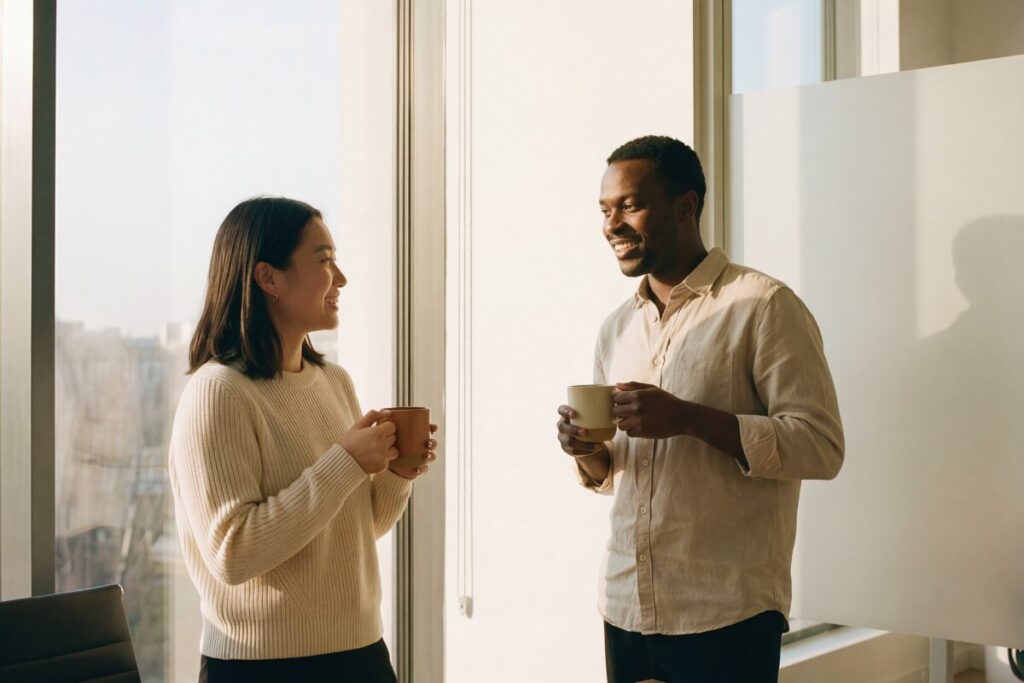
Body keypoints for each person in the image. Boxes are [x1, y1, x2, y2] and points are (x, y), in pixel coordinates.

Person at [556, 136, 844, 683]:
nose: (611, 224)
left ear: (685, 206)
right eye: (605, 209)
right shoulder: (617, 327)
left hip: (725, 612)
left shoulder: (763, 305)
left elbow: (821, 447)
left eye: (630, 205)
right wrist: (589, 452)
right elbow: (622, 473)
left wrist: (688, 419)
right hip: (625, 603)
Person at [169, 197, 436, 682]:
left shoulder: (333, 381)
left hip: (361, 652)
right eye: (324, 260)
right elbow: (233, 554)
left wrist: (397, 475)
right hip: (260, 668)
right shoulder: (217, 392)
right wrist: (346, 463)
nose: (341, 278)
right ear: (268, 278)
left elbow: (353, 527)